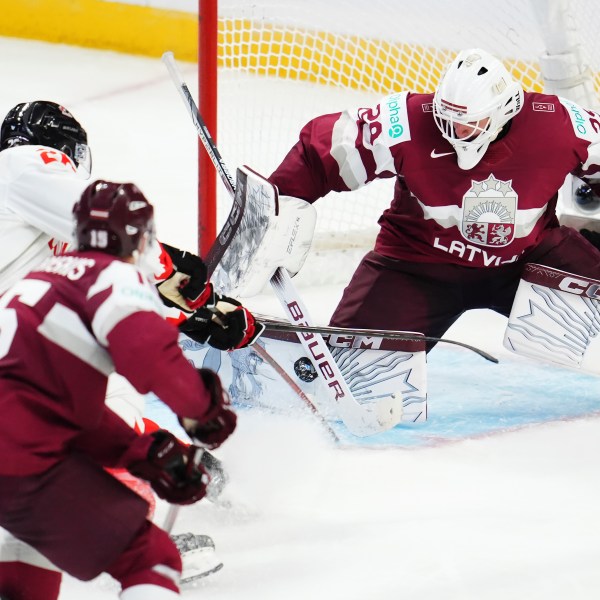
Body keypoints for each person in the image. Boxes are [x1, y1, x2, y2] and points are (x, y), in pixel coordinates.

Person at [0, 100, 260, 597]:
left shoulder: (34, 230)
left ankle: (162, 471)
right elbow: (105, 265)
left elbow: (93, 294)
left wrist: (197, 316)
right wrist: (172, 274)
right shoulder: (19, 166)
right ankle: (147, 519)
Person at [267, 47, 600, 349]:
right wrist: (276, 206)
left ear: (502, 111)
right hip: (417, 268)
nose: (455, 130)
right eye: (449, 118)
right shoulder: (406, 120)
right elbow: (321, 155)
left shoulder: (561, 126)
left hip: (526, 264)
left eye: (469, 122)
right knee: (355, 369)